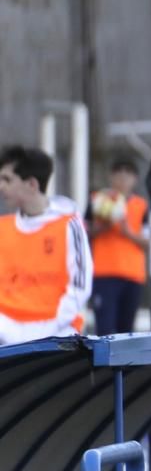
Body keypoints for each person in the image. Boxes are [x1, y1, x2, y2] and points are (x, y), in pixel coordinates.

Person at [0, 146, 92, 346]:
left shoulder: (69, 225)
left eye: (7, 180)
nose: (1, 186)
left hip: (56, 335)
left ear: (32, 184)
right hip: (4, 335)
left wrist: (47, 331)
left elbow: (80, 287)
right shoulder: (2, 228)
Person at [87, 158, 148, 335]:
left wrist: (127, 232)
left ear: (135, 179)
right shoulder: (98, 200)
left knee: (126, 332)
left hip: (132, 275)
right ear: (111, 177)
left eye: (128, 174)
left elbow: (149, 242)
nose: (122, 178)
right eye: (118, 173)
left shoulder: (141, 206)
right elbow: (83, 232)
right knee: (104, 330)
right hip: (104, 274)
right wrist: (103, 226)